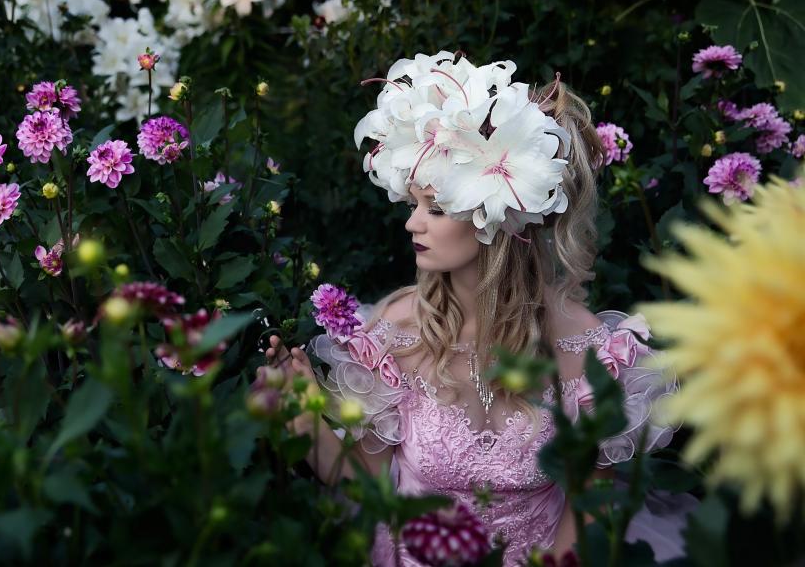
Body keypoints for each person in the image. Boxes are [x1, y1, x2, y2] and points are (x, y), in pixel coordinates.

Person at [265, 52, 695, 566]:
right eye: (413, 204)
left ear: (500, 215)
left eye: (436, 207)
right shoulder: (394, 336)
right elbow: (367, 489)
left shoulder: (592, 357)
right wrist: (304, 420)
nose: (413, 224)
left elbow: (589, 514)